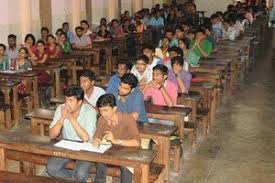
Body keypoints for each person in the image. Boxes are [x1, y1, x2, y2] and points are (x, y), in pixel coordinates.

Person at [47, 85, 97, 182]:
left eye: (70, 100)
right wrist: (62, 118)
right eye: (66, 100)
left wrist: (70, 118)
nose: (67, 103)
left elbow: (86, 138)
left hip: (86, 147)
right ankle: (81, 180)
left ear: (79, 102)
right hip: (67, 145)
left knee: (80, 173)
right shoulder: (61, 108)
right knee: (51, 168)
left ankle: (80, 179)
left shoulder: (89, 111)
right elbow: (52, 135)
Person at [93, 94, 140, 183]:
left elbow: (137, 142)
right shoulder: (102, 119)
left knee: (125, 166)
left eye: (106, 110)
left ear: (114, 109)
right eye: (101, 111)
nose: (103, 114)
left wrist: (115, 141)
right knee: (99, 160)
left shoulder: (128, 119)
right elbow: (97, 135)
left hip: (129, 151)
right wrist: (96, 141)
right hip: (113, 151)